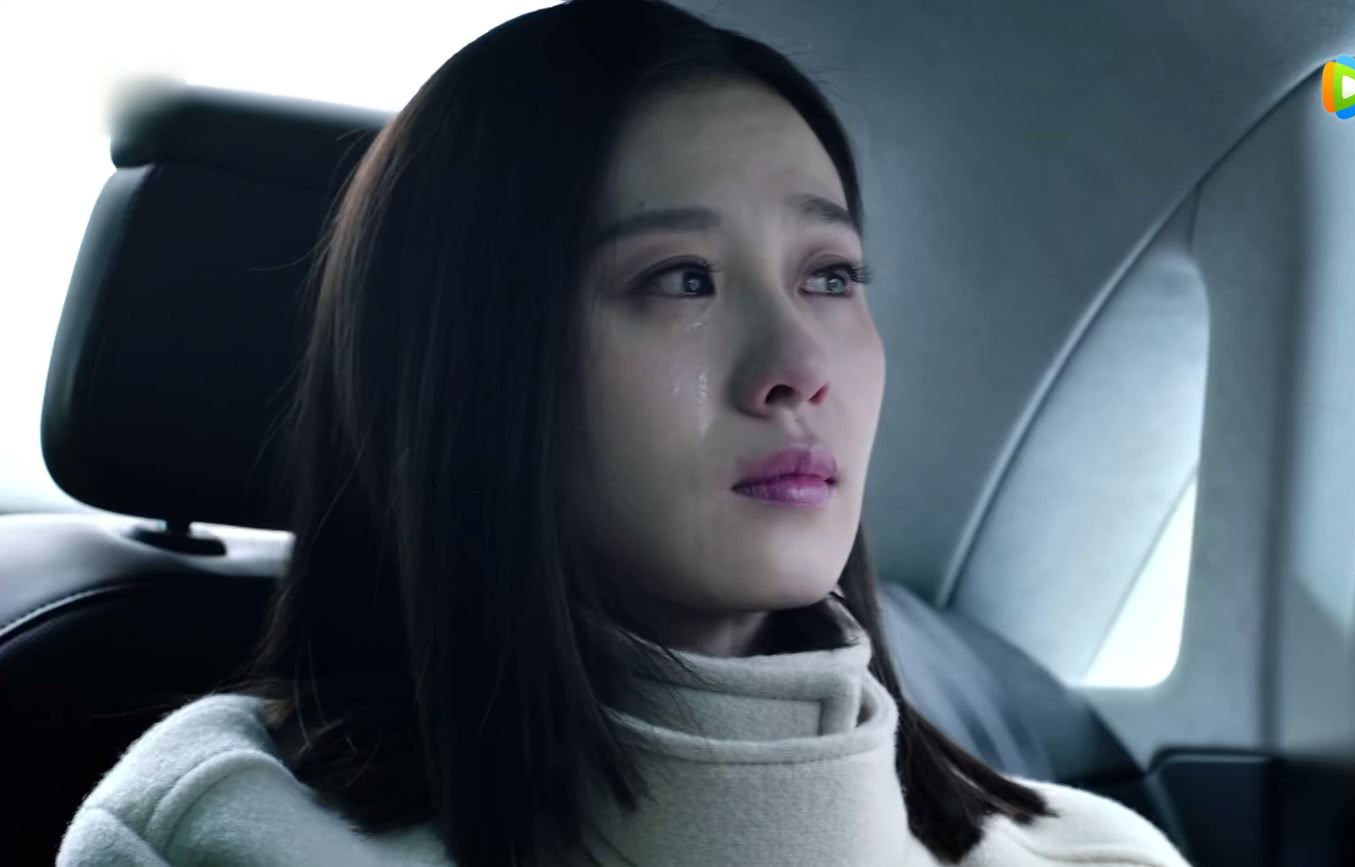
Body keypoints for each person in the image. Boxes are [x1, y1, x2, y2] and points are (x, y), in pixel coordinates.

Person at [57, 1, 1192, 865]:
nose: (798, 368)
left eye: (830, 275)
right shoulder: (218, 836)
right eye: (681, 278)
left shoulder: (1098, 854)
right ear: (473, 363)